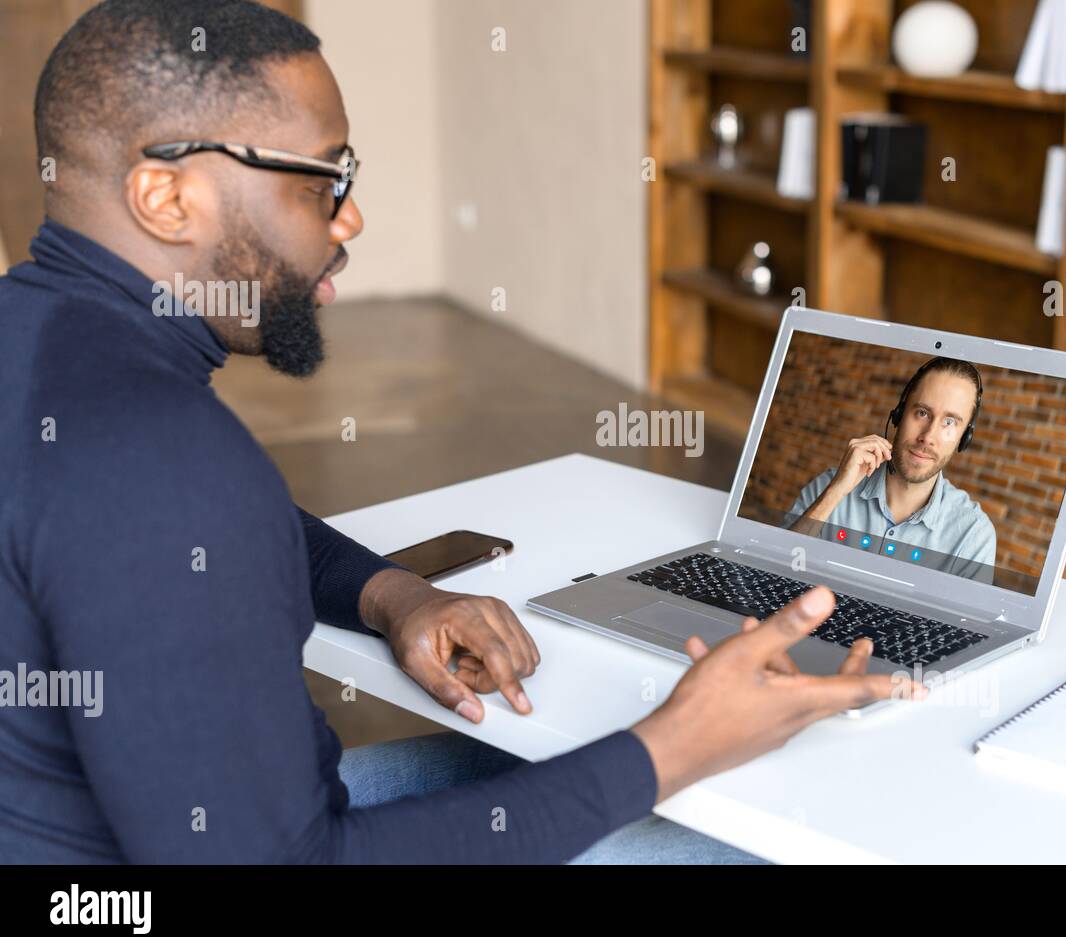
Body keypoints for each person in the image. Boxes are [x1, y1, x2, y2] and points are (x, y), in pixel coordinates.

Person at [0, 0, 924, 864]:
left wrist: (394, 595)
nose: (351, 215)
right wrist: (671, 749)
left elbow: (224, 529)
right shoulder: (168, 463)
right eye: (325, 179)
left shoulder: (43, 351)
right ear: (166, 199)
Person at [786, 358, 997, 582]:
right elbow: (773, 570)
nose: (928, 437)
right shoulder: (829, 487)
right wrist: (835, 491)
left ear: (964, 438)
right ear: (899, 414)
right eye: (922, 413)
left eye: (949, 422)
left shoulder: (973, 534)